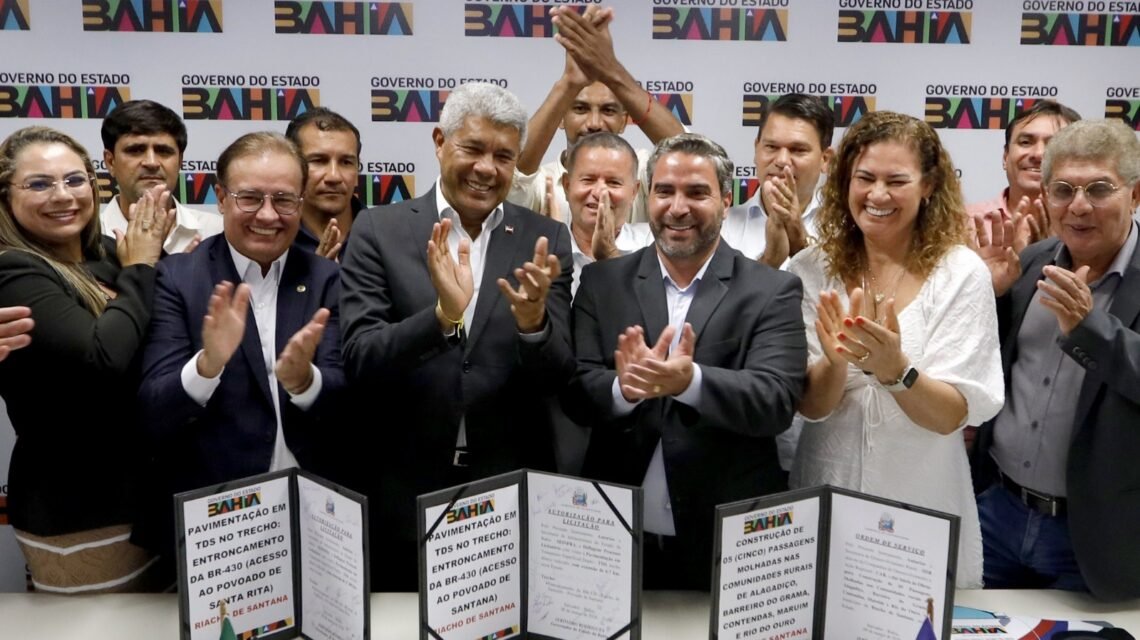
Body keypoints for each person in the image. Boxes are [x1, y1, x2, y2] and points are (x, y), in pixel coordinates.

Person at [339, 82, 574, 591]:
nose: (487, 168)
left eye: (504, 156)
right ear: (440, 142)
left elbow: (559, 376)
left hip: (511, 492)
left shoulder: (546, 238)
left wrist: (534, 323)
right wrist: (443, 316)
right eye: (473, 148)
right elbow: (360, 358)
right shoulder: (378, 229)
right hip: (403, 492)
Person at [566, 133, 807, 590]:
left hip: (727, 547)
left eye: (697, 193)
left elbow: (776, 401)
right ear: (646, 195)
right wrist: (625, 389)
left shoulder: (771, 290)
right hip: (613, 541)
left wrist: (690, 381)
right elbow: (576, 390)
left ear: (725, 200)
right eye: (664, 191)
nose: (678, 208)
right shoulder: (602, 281)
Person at [787, 111, 1004, 588]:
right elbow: (811, 407)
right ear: (844, 181)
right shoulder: (808, 269)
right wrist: (836, 362)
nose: (878, 195)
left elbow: (952, 416)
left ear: (928, 186)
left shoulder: (960, 273)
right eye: (864, 178)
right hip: (827, 490)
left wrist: (896, 372)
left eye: (896, 180)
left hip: (921, 504)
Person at [135, 132, 344, 558]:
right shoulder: (177, 277)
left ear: (301, 203)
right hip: (215, 519)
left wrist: (305, 382)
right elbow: (153, 409)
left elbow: (350, 401)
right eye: (249, 198)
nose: (268, 215)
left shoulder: (328, 277)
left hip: (315, 514)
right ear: (221, 197)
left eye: (284, 200)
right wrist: (208, 364)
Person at [971, 119, 1140, 600]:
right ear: (1044, 196)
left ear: (1135, 194)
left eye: (1099, 188)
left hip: (1094, 535)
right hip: (998, 513)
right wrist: (990, 296)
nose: (1079, 206)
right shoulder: (1028, 263)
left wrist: (1091, 329)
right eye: (1063, 189)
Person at [0, 126, 172, 593]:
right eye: (39, 183)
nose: (63, 196)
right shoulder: (14, 270)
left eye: (75, 180)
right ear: (6, 196)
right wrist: (141, 266)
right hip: (78, 507)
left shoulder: (100, 261)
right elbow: (103, 358)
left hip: (139, 499)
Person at [508, 6, 684, 223]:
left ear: (624, 121)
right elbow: (514, 173)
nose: (593, 123)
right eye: (580, 109)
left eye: (608, 110)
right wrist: (569, 83)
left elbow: (687, 151)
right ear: (560, 118)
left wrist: (612, 71)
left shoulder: (642, 172)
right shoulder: (543, 182)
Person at [721, 93, 834, 268]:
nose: (781, 160)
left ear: (825, 160)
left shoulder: (847, 231)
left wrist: (800, 243)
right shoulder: (722, 228)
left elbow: (846, 294)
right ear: (756, 149)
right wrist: (770, 260)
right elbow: (717, 296)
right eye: (771, 147)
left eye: (798, 150)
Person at [100, 99, 222, 253]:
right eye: (136, 150)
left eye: (163, 151)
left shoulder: (218, 232)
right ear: (110, 162)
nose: (151, 163)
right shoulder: (85, 239)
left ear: (180, 161)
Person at [966, 100, 1081, 250]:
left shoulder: (1089, 226)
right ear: (1005, 157)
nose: (1038, 154)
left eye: (1054, 145)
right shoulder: (964, 222)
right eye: (1026, 142)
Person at [562, 132, 653, 298]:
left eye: (613, 182)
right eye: (588, 179)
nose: (599, 192)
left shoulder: (654, 246)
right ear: (567, 186)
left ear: (634, 192)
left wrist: (610, 255)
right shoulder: (545, 250)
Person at [285, 106, 364, 260]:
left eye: (346, 162)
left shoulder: (384, 236)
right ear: (291, 167)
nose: (334, 176)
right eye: (319, 161)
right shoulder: (273, 237)